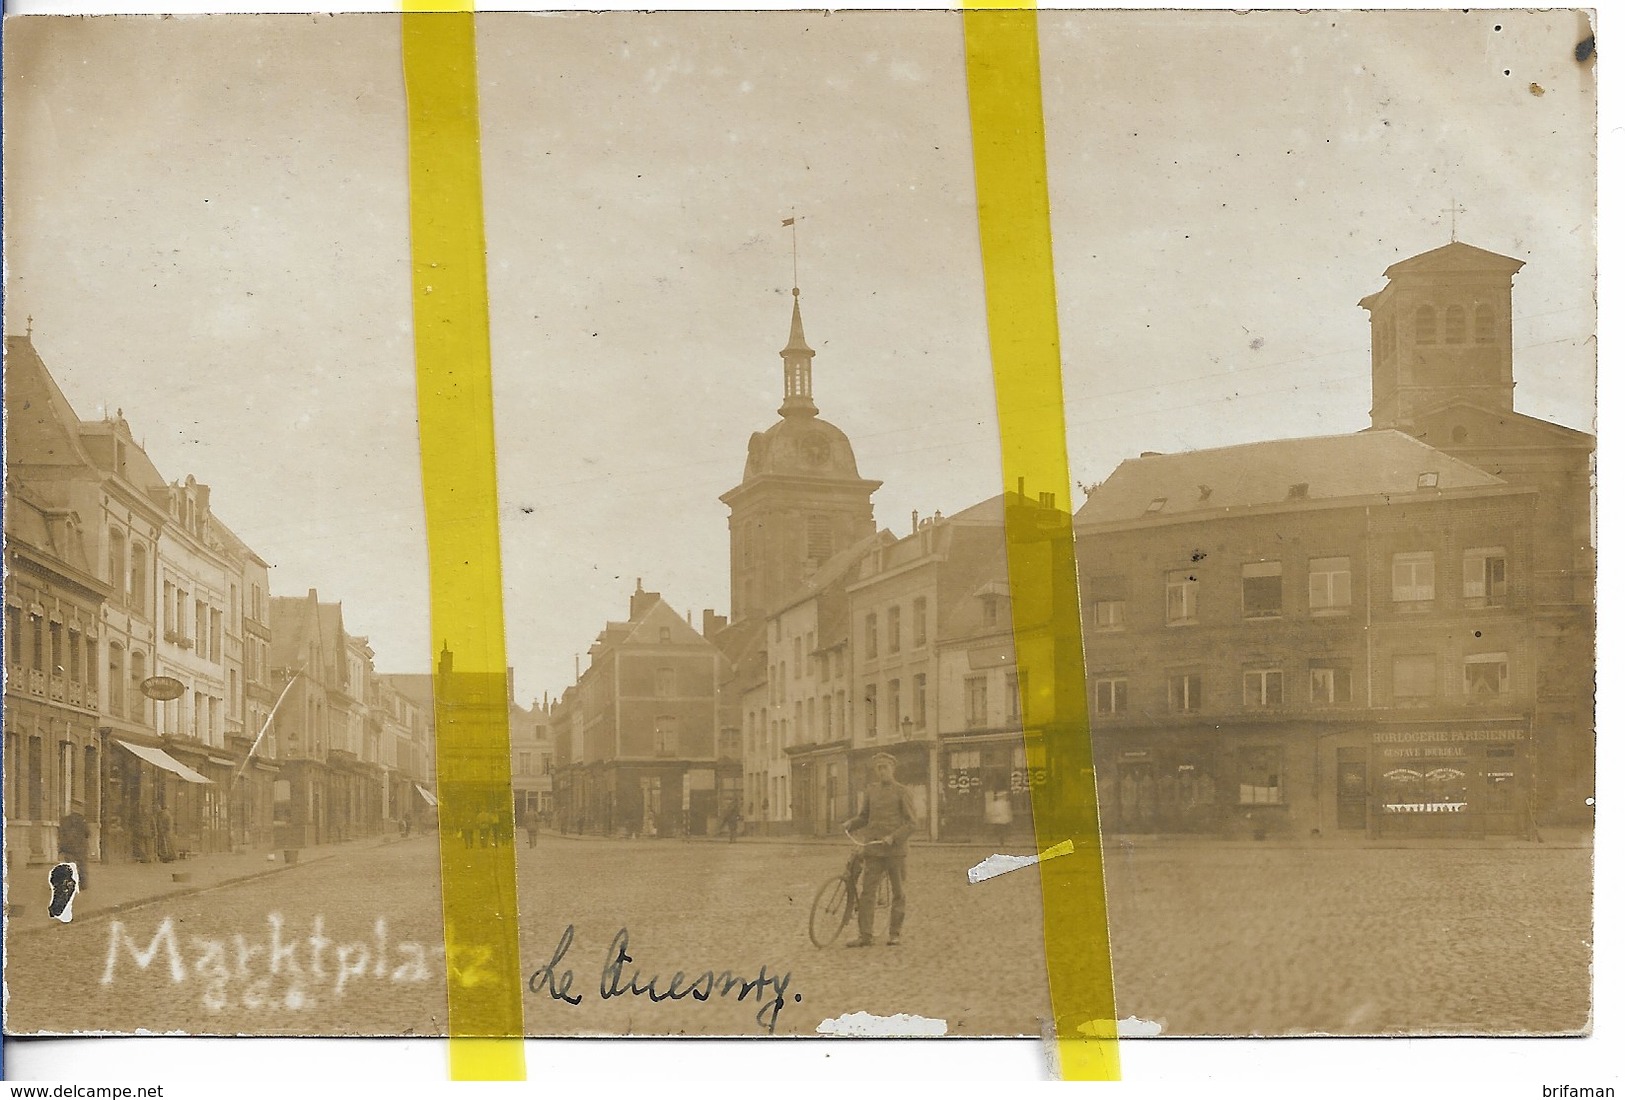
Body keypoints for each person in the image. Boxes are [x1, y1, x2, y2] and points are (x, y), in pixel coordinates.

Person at [841, 752, 916, 948]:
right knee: (867, 893)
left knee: (898, 892)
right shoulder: (871, 792)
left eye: (885, 767)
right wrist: (851, 824)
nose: (882, 771)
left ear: (893, 769)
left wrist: (894, 837)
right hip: (873, 850)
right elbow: (864, 817)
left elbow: (911, 823)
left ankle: (895, 934)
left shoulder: (902, 791)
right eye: (879, 768)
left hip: (895, 852)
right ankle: (865, 935)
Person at [58, 801, 91, 892]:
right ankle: (83, 884)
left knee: (68, 865)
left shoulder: (65, 820)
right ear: (79, 808)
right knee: (82, 865)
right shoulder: (82, 820)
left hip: (68, 847)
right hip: (80, 847)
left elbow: (61, 833)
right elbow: (87, 833)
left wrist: (61, 846)